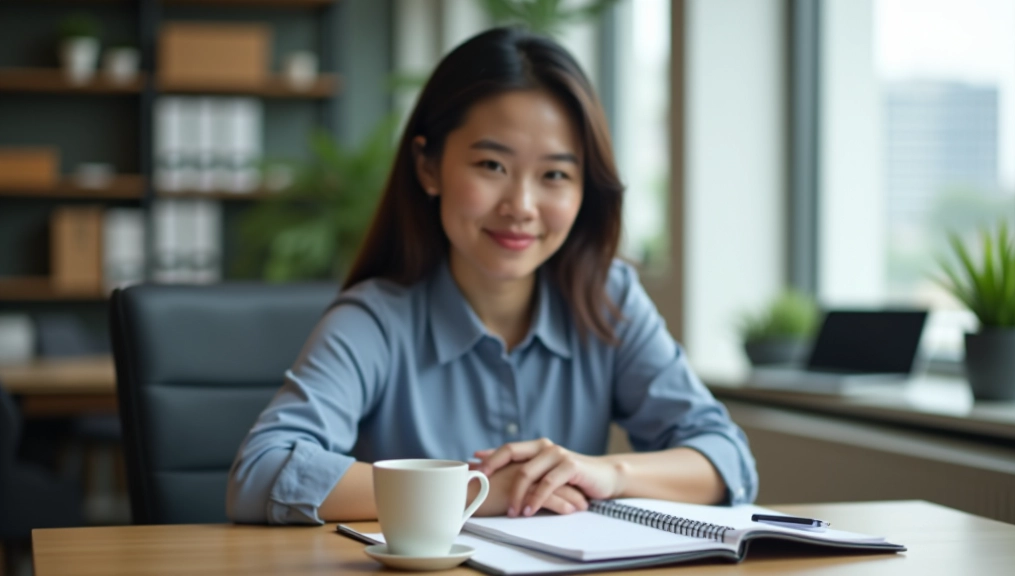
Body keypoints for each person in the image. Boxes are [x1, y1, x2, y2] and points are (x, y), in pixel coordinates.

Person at [226, 26, 757, 525]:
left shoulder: (608, 299)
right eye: (491, 166)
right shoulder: (376, 319)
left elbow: (726, 460)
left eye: (554, 175)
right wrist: (478, 492)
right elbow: (261, 473)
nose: (522, 206)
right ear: (428, 167)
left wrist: (607, 473)